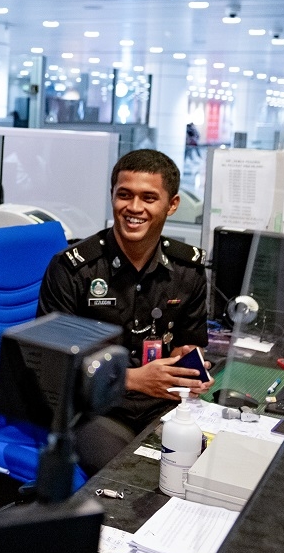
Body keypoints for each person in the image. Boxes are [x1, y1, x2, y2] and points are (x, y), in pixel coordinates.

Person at [36, 149, 213, 474]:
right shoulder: (74, 269)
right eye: (124, 195)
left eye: (149, 197)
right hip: (93, 410)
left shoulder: (187, 269)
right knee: (131, 476)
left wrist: (189, 364)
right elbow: (48, 369)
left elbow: (190, 344)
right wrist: (132, 379)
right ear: (112, 197)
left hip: (162, 403)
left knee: (206, 463)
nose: (134, 208)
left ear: (172, 205)